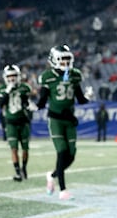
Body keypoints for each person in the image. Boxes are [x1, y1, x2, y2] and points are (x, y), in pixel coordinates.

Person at [36, 44, 94, 200]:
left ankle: (52, 175)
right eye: (62, 60)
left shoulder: (74, 75)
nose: (66, 63)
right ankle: (63, 190)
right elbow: (42, 100)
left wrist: (88, 96)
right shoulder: (48, 76)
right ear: (54, 60)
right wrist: (34, 106)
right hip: (55, 119)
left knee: (71, 155)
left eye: (68, 59)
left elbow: (80, 100)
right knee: (61, 152)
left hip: (69, 120)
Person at [0, 65, 36, 181]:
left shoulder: (24, 87)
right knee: (13, 148)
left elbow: (25, 102)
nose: (12, 78)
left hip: (23, 122)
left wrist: (29, 105)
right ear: (5, 77)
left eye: (14, 75)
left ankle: (24, 168)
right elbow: (0, 104)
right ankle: (18, 172)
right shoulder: (3, 89)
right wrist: (8, 91)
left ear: (18, 76)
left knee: (25, 149)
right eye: (9, 76)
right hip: (11, 122)